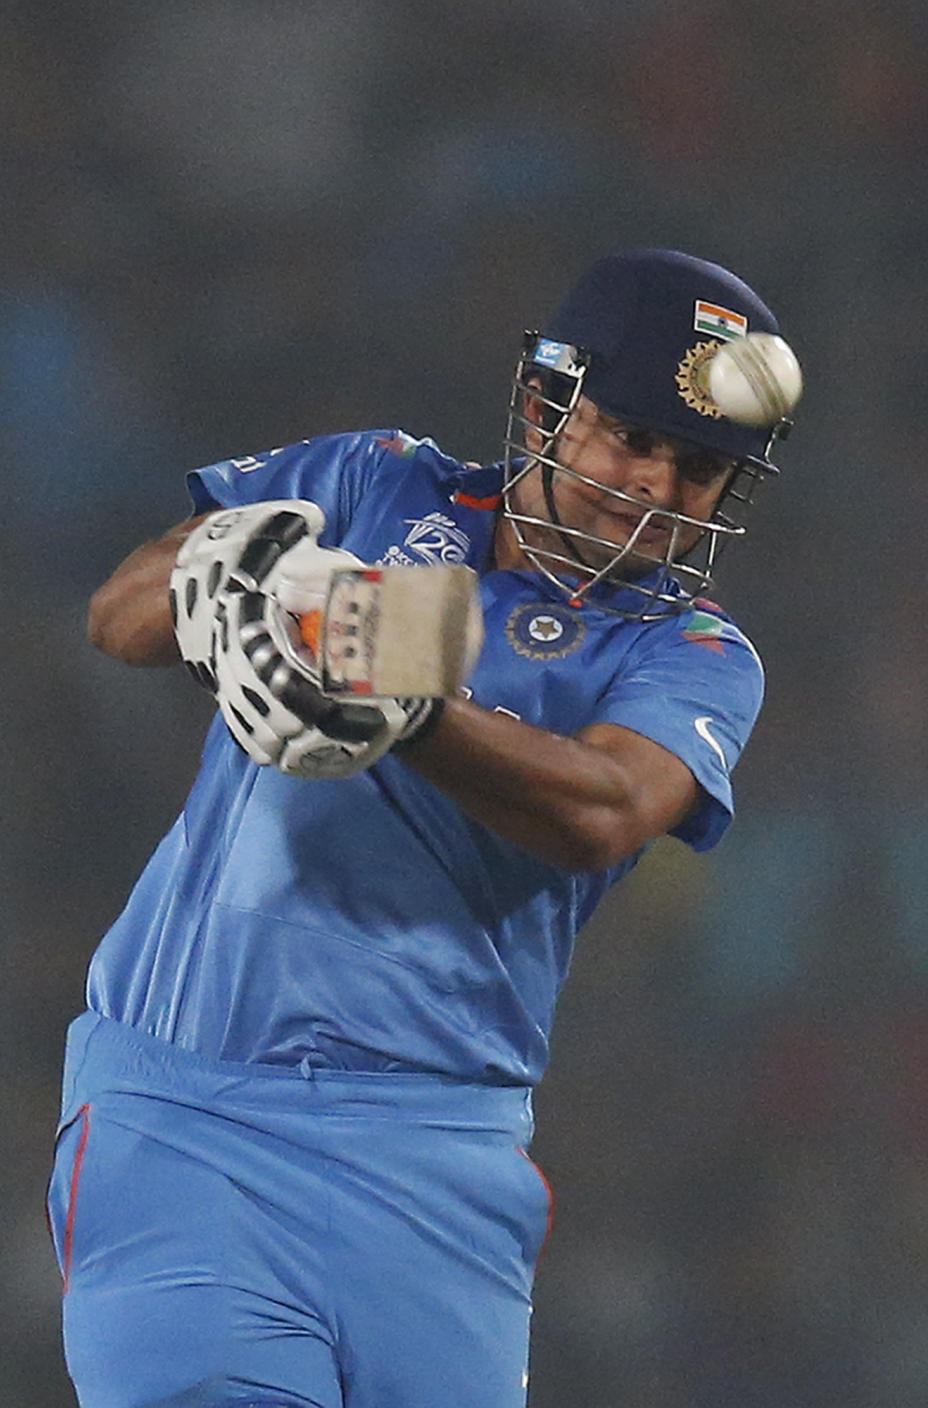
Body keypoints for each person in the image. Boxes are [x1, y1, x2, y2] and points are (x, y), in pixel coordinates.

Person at [47, 248, 796, 1408]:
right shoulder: (378, 484)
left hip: (441, 1152)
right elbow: (117, 614)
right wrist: (222, 575)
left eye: (698, 467)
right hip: (190, 1115)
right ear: (548, 403)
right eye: (629, 437)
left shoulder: (690, 651)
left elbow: (604, 812)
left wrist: (400, 696)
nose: (653, 486)